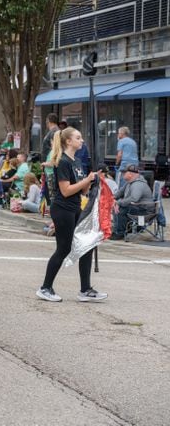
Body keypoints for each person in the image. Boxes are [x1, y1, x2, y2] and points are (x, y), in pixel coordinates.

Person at [36, 127, 106, 303]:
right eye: (78, 137)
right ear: (68, 141)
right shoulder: (63, 162)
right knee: (64, 248)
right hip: (63, 208)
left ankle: (85, 289)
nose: (81, 141)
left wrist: (92, 180)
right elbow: (65, 191)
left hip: (75, 207)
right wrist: (86, 180)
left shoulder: (77, 162)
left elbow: (82, 190)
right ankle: (45, 287)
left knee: (86, 245)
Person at [110, 164, 154, 240]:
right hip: (137, 207)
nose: (122, 174)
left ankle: (119, 233)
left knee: (121, 209)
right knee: (119, 206)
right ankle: (120, 229)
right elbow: (118, 194)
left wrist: (118, 203)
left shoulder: (138, 184)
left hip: (144, 211)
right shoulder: (129, 183)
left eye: (124, 172)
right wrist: (111, 199)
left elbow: (134, 198)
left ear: (130, 174)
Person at [41, 113, 60, 204]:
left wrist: (45, 163)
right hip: (48, 163)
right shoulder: (54, 131)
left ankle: (52, 208)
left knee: (51, 191)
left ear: (48, 121)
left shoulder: (55, 132)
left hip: (51, 166)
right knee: (49, 190)